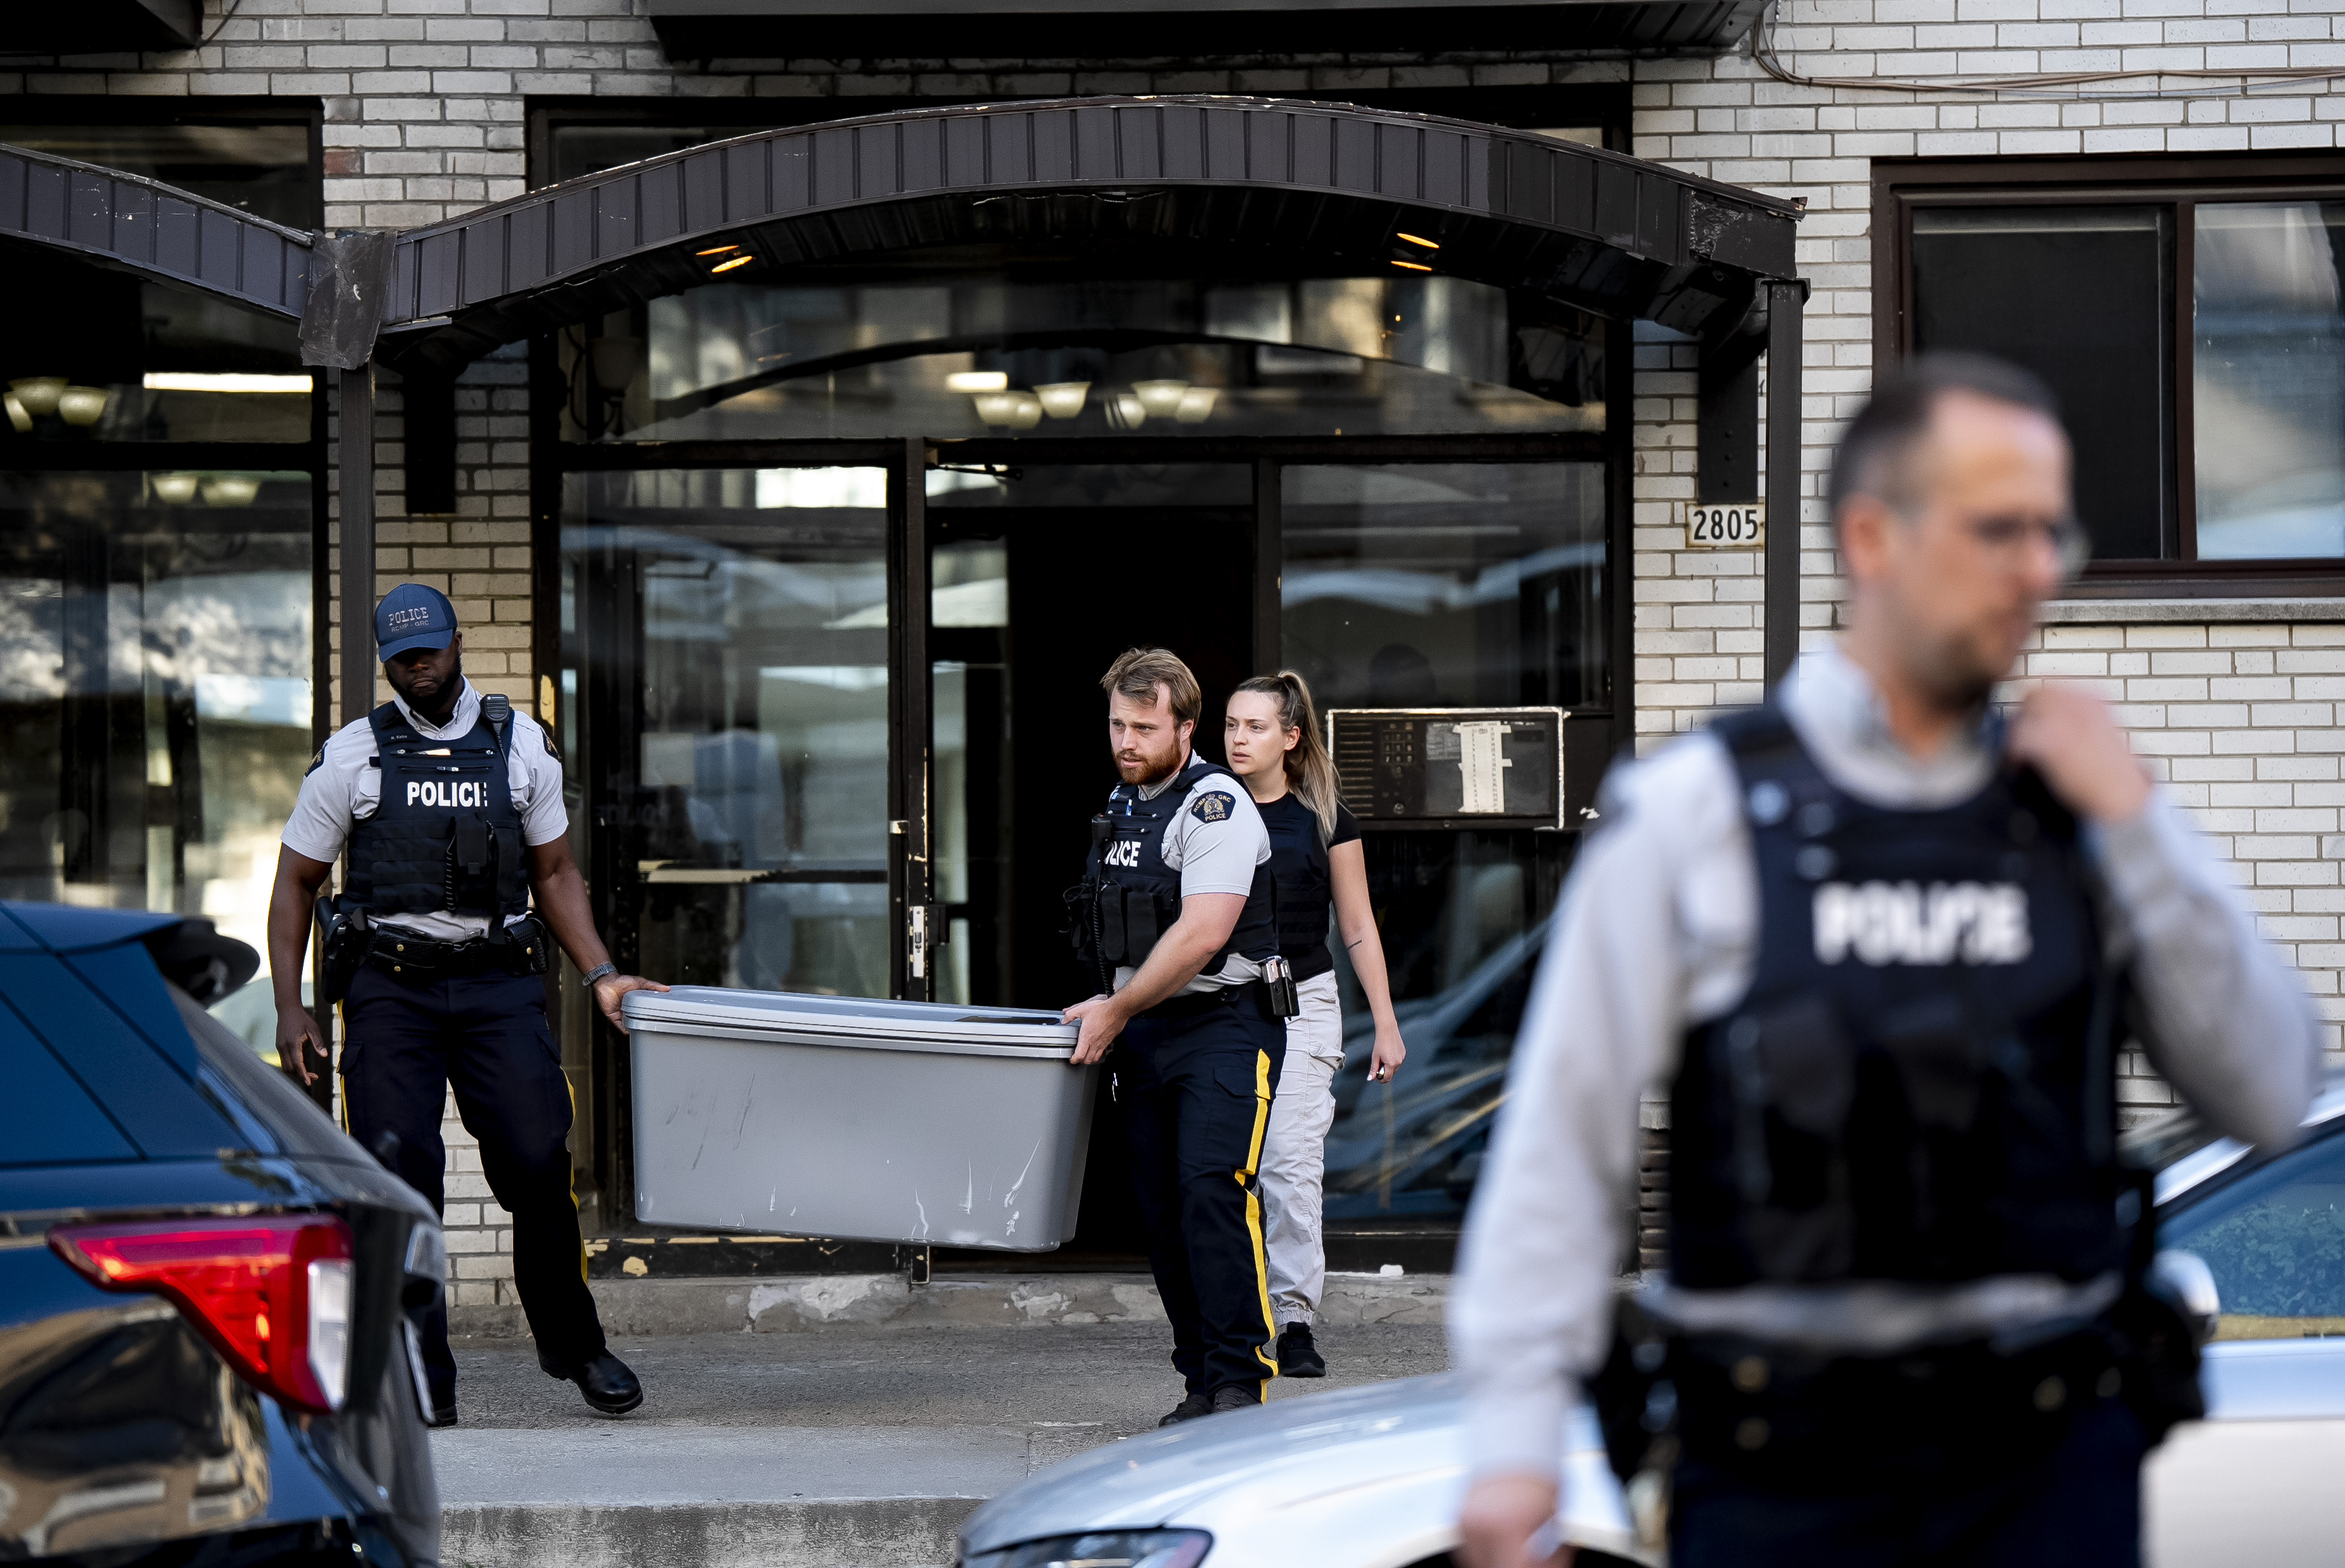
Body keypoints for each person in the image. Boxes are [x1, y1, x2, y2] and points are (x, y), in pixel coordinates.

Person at [1452, 355, 2323, 1568]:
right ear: (1870, 537)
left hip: (2044, 1472)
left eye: (2052, 531)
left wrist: (2135, 821)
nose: (2040, 570)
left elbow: (2273, 1093)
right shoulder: (1696, 811)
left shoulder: (2084, 815)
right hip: (1779, 1477)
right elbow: (1560, 1144)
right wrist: (1513, 1444)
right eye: (1998, 530)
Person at [266, 583, 667, 1426]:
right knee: (400, 1177)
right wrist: (291, 1007)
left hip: (497, 983)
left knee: (537, 1161)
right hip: (389, 988)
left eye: (430, 650)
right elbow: (296, 882)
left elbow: (555, 871)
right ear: (387, 663)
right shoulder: (352, 756)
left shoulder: (522, 746)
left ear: (457, 644)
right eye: (402, 657)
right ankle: (418, 1374)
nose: (419, 666)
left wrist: (601, 973)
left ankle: (575, 1344)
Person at [1064, 646, 1290, 1424]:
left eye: (1145, 727)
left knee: (1211, 1191)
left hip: (1225, 1024)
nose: (1127, 742)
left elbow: (1202, 934)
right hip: (1146, 1028)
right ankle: (1200, 1378)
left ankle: (1238, 1380)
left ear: (1186, 727)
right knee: (1162, 1210)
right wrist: (1111, 1001)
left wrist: (1116, 1009)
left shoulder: (1215, 805)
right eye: (1117, 725)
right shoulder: (1122, 804)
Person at [1224, 670, 1408, 1380]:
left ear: (1291, 738)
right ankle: (1236, 1317)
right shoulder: (1206, 809)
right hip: (1219, 1004)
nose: (1239, 738)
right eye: (1232, 725)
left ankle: (1294, 1318)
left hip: (1302, 1002)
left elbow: (1357, 926)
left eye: (1256, 727)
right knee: (1223, 1167)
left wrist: (1385, 1022)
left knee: (1289, 1163)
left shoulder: (1324, 817)